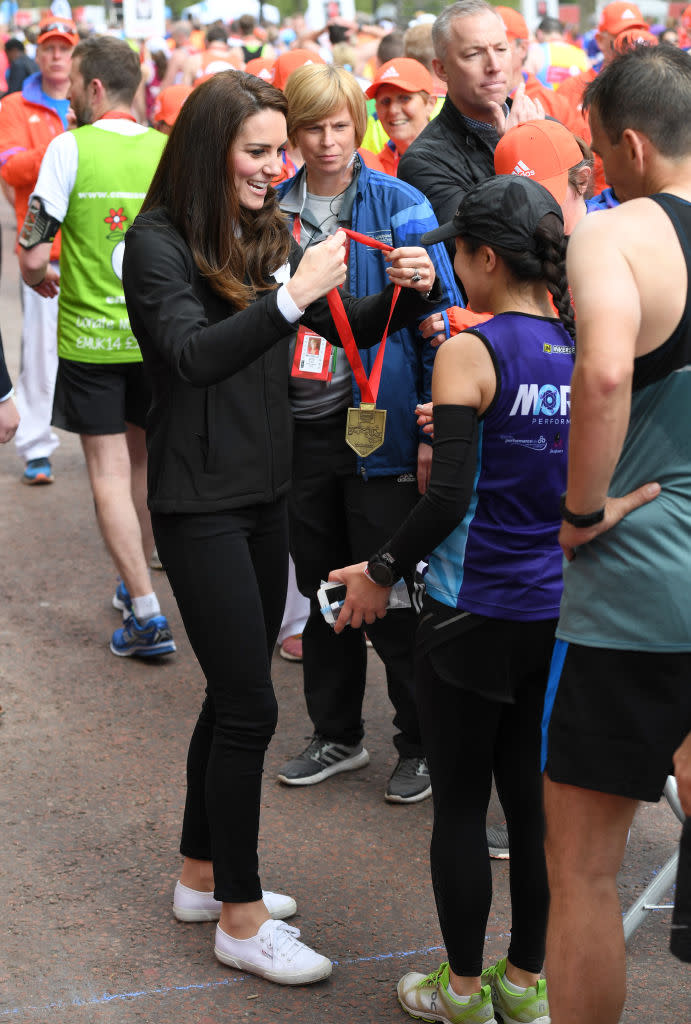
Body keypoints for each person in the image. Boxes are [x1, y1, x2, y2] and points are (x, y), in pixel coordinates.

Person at [121, 70, 439, 986]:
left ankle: (199, 875)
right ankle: (240, 916)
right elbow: (189, 355)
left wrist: (406, 294)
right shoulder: (157, 243)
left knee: (233, 695)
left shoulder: (266, 232)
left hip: (267, 492)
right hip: (200, 501)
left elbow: (341, 330)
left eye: (280, 149)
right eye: (257, 151)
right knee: (253, 705)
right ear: (209, 152)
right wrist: (292, 295)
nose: (278, 166)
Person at [329, 174, 575, 1024]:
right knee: (534, 810)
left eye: (454, 251)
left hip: (470, 613)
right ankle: (525, 984)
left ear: (480, 257)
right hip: (553, 614)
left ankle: (464, 993)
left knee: (463, 810)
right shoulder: (581, 344)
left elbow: (445, 496)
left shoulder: (475, 348)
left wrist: (378, 570)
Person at [540, 45, 691, 1024]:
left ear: (627, 145)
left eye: (592, 150)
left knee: (584, 871)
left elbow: (599, 376)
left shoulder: (612, 234)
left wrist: (581, 511)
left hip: (639, 587)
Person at [275, 62, 459, 803]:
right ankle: (336, 733)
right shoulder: (271, 211)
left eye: (340, 126)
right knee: (321, 588)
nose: (327, 142)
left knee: (392, 590)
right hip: (300, 432)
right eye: (312, 127)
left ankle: (419, 742)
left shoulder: (400, 202)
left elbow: (442, 321)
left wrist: (431, 434)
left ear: (360, 126)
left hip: (383, 430)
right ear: (293, 133)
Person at [17, 35, 173, 659]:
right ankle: (133, 577)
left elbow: (31, 253)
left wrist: (40, 276)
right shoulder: (168, 151)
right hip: (157, 341)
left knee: (107, 470)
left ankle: (145, 611)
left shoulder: (68, 147)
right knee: (141, 465)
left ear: (96, 88)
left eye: (77, 84)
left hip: (92, 340)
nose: (71, 96)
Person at [397, 0, 544, 260]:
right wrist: (516, 157)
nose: (494, 65)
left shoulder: (545, 126)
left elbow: (579, 212)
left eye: (501, 49)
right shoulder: (423, 162)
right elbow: (480, 251)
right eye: (473, 54)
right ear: (441, 69)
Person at [0, 15, 78, 485]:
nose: (55, 55)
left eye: (63, 47)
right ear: (39, 51)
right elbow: (10, 171)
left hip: (94, 246)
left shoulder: (91, 96)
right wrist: (61, 146)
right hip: (43, 251)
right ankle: (36, 446)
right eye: (48, 47)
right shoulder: (13, 105)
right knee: (41, 353)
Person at [364, 57, 437, 176]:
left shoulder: (456, 155)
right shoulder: (373, 170)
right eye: (385, 101)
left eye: (404, 98)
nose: (393, 110)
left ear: (430, 104)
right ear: (376, 108)